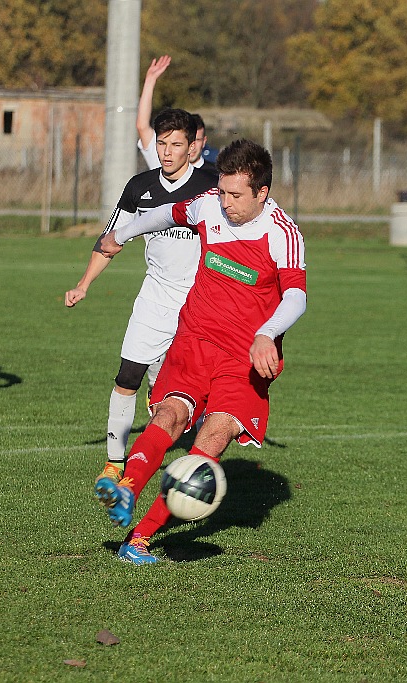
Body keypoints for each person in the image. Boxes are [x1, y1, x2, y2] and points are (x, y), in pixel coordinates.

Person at [95, 139, 307, 565]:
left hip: (243, 359)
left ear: (262, 192)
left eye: (236, 195)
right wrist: (120, 233)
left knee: (212, 438)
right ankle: (127, 487)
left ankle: (139, 538)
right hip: (194, 339)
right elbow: (166, 213)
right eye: (223, 191)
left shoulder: (283, 233)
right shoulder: (209, 203)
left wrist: (266, 334)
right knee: (170, 415)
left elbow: (296, 297)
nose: (225, 202)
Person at [65, 108, 217, 490]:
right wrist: (84, 284)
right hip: (154, 299)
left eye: (176, 144)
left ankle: (196, 458)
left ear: (192, 146)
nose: (167, 152)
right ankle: (115, 463)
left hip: (198, 305)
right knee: (125, 377)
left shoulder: (211, 186)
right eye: (162, 143)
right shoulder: (140, 186)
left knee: (193, 390)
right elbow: (112, 238)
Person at [136, 55, 215, 174]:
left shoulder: (214, 175)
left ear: (203, 142)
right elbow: (142, 126)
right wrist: (150, 80)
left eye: (197, 140)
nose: (192, 147)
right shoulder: (165, 159)